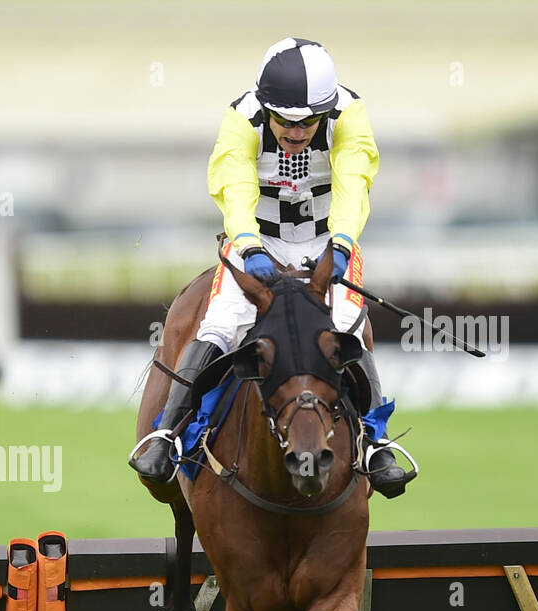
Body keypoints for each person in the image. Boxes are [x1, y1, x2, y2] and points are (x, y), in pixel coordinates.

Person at [129, 38, 414, 498]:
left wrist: (340, 244)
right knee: (222, 323)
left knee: (344, 328)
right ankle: (166, 434)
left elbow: (353, 181)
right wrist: (248, 245)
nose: (296, 132)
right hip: (257, 240)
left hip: (328, 240)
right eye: (285, 121)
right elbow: (234, 186)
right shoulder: (241, 118)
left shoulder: (349, 115)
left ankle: (376, 443)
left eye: (308, 122)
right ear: (267, 109)